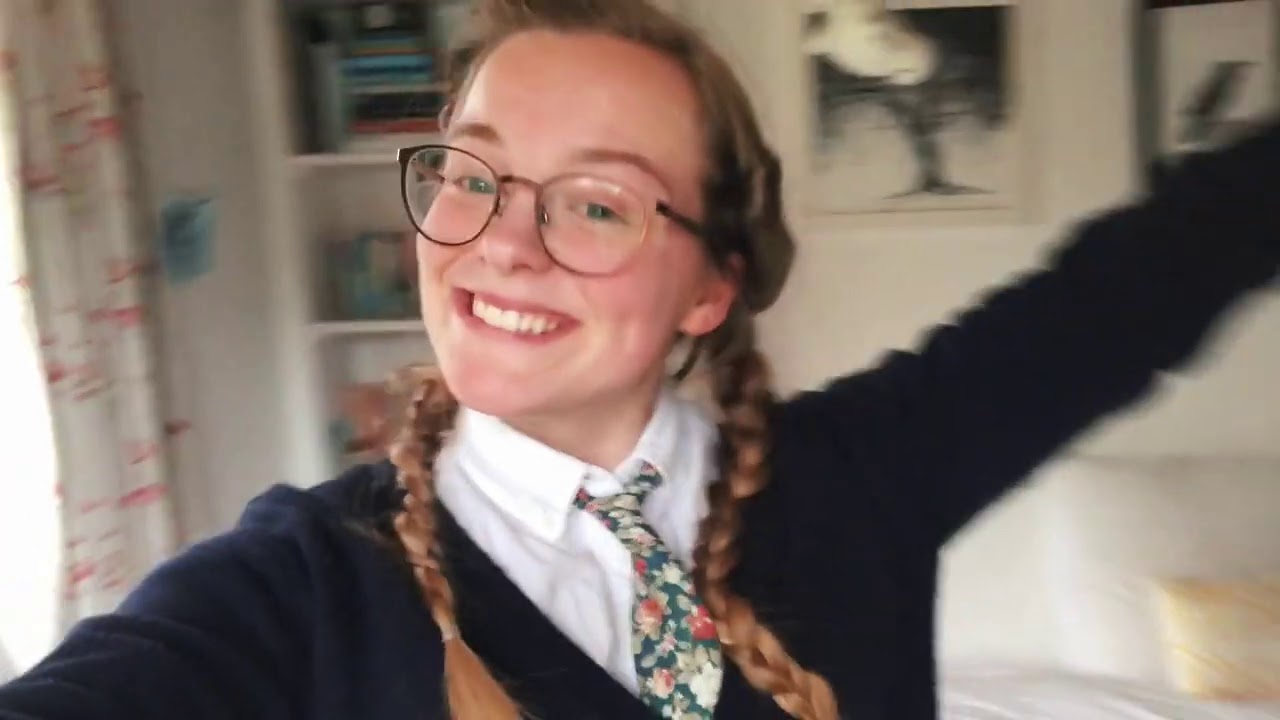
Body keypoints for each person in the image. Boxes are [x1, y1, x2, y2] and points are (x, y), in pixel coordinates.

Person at [2, 1, 1278, 719]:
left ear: (710, 286)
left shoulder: (863, 479)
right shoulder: (300, 588)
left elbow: (1139, 284)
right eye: (471, 175)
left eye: (597, 203)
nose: (501, 244)